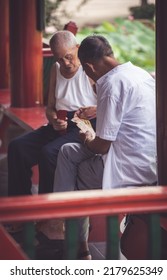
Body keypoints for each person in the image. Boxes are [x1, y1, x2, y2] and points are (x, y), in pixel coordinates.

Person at [53, 35, 157, 259]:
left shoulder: (109, 83)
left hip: (128, 170)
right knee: (66, 151)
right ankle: (63, 219)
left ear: (89, 66)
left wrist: (86, 137)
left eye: (86, 73)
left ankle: (73, 237)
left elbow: (100, 146)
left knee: (75, 171)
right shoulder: (139, 73)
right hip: (149, 161)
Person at [7, 30, 97, 198]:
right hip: (59, 124)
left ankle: (47, 215)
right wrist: (54, 119)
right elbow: (50, 107)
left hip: (84, 125)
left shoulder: (89, 68)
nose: (66, 63)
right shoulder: (56, 69)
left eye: (69, 56)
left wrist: (96, 109)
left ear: (77, 48)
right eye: (59, 59)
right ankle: (21, 208)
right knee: (17, 148)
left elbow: (111, 102)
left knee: (48, 153)